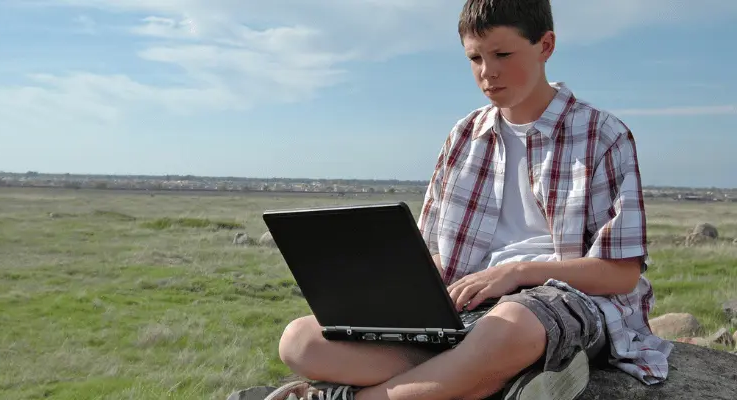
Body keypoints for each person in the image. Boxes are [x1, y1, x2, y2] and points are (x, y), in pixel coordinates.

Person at [228, 1, 674, 399]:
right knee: (300, 340)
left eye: (502, 54)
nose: (487, 72)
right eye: (475, 58)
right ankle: (489, 380)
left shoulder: (602, 135)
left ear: (546, 45)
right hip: (466, 310)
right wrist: (390, 294)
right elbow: (435, 253)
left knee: (511, 327)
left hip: (556, 301)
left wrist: (516, 272)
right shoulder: (464, 135)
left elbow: (620, 273)